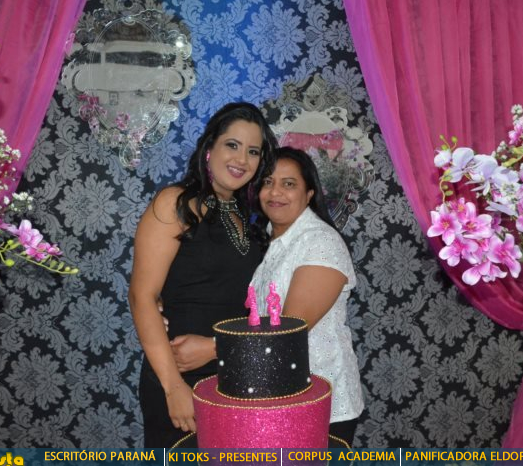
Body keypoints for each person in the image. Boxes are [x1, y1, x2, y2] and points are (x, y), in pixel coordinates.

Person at [128, 102, 277, 448]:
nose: (241, 159)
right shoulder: (176, 203)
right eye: (232, 145)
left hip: (237, 375)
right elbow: (141, 296)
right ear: (209, 147)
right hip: (182, 374)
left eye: (253, 151)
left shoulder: (250, 219)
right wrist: (173, 387)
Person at [249, 146, 364, 446]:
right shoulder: (271, 243)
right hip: (275, 396)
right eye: (267, 182)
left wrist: (212, 348)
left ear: (309, 193)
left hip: (320, 403)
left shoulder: (321, 242)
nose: (275, 192)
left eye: (289, 184)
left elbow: (288, 330)